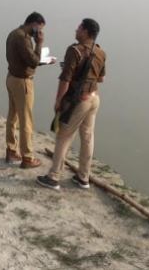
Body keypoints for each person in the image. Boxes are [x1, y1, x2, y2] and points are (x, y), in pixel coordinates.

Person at [37, 18, 106, 191]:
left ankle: (53, 177)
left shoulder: (75, 50)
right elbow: (101, 78)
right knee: (87, 137)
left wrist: (59, 101)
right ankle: (83, 177)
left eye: (79, 27)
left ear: (86, 31)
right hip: (94, 98)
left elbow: (65, 79)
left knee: (64, 136)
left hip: (79, 100)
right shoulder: (100, 52)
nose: (76, 30)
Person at [5, 12, 51, 169]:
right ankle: (27, 158)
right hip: (22, 82)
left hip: (12, 77)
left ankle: (11, 150)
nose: (40, 32)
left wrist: (39, 59)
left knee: (13, 116)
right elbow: (33, 61)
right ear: (34, 24)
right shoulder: (23, 38)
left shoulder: (13, 33)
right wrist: (39, 43)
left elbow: (23, 59)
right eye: (40, 28)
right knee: (26, 120)